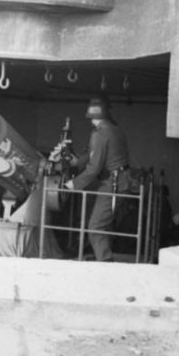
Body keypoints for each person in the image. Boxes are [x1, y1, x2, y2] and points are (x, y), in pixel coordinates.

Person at [50, 97, 131, 262]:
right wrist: (76, 162)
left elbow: (94, 167)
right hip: (117, 181)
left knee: (95, 227)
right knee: (99, 222)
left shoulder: (100, 133)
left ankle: (105, 262)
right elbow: (92, 154)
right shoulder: (113, 129)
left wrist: (74, 184)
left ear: (90, 115)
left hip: (112, 184)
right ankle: (101, 255)